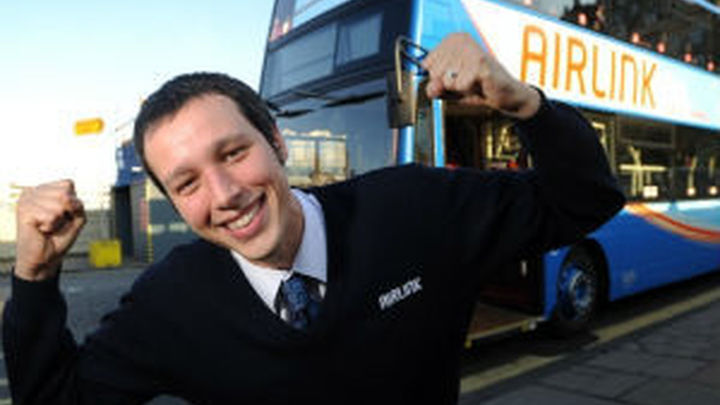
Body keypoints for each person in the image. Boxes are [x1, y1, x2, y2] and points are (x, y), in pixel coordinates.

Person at [3, 33, 625, 404]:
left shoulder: (415, 208)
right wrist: (33, 279)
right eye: (187, 183)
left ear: (276, 140)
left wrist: (525, 104)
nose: (224, 194)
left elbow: (586, 200)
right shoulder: (168, 302)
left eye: (233, 153)